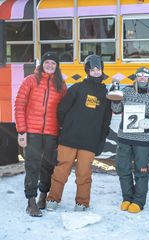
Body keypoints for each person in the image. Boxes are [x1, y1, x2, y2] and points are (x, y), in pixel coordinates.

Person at [46, 54, 112, 211]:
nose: (96, 72)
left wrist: (101, 140)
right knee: (61, 170)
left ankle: (82, 202)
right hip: (69, 138)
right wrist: (65, 128)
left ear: (102, 70)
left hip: (89, 142)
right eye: (93, 69)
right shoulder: (77, 88)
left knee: (84, 174)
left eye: (99, 69)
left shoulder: (106, 94)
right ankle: (53, 198)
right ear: (87, 71)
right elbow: (62, 109)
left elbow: (105, 121)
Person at [14, 52, 67, 217]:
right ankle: (31, 201)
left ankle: (43, 195)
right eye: (47, 62)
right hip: (32, 132)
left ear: (57, 66)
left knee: (48, 166)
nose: (50, 65)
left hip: (52, 132)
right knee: (32, 166)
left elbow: (64, 109)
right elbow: (19, 105)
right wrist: (21, 131)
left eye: (53, 63)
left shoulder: (61, 85)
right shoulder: (30, 80)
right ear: (42, 64)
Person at [111, 67, 149, 213]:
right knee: (123, 168)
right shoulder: (126, 92)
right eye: (139, 75)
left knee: (141, 170)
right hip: (124, 138)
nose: (142, 78)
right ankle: (127, 197)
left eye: (145, 76)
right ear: (135, 78)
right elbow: (116, 110)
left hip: (143, 140)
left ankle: (139, 201)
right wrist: (114, 96)